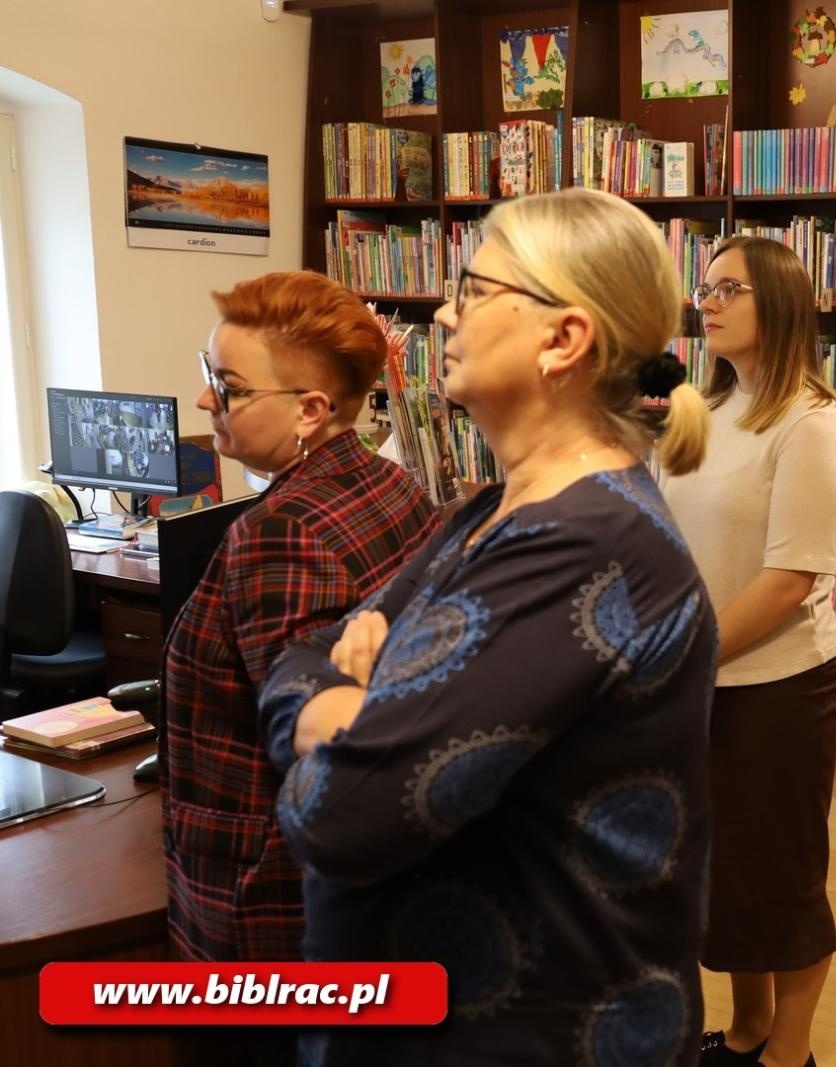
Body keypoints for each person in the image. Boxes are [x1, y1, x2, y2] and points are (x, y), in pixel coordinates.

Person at [259, 188, 718, 1066]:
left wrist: (355, 701)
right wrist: (344, 703)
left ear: (562, 338)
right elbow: (303, 657)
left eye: (472, 289)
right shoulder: (490, 511)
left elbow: (341, 814)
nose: (445, 310)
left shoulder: (583, 546)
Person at [163, 271, 438, 1062]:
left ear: (311, 409)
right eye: (209, 373)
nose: (206, 399)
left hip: (264, 906)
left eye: (229, 385)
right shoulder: (389, 483)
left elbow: (309, 733)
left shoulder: (282, 531)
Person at [658, 235, 836, 1067]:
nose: (707, 301)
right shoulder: (704, 410)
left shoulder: (814, 423)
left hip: (778, 686)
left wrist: (683, 654)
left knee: (781, 880)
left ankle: (789, 1053)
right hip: (700, 677)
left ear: (776, 303)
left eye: (729, 288)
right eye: (704, 287)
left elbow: (786, 582)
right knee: (725, 879)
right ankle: (744, 1032)